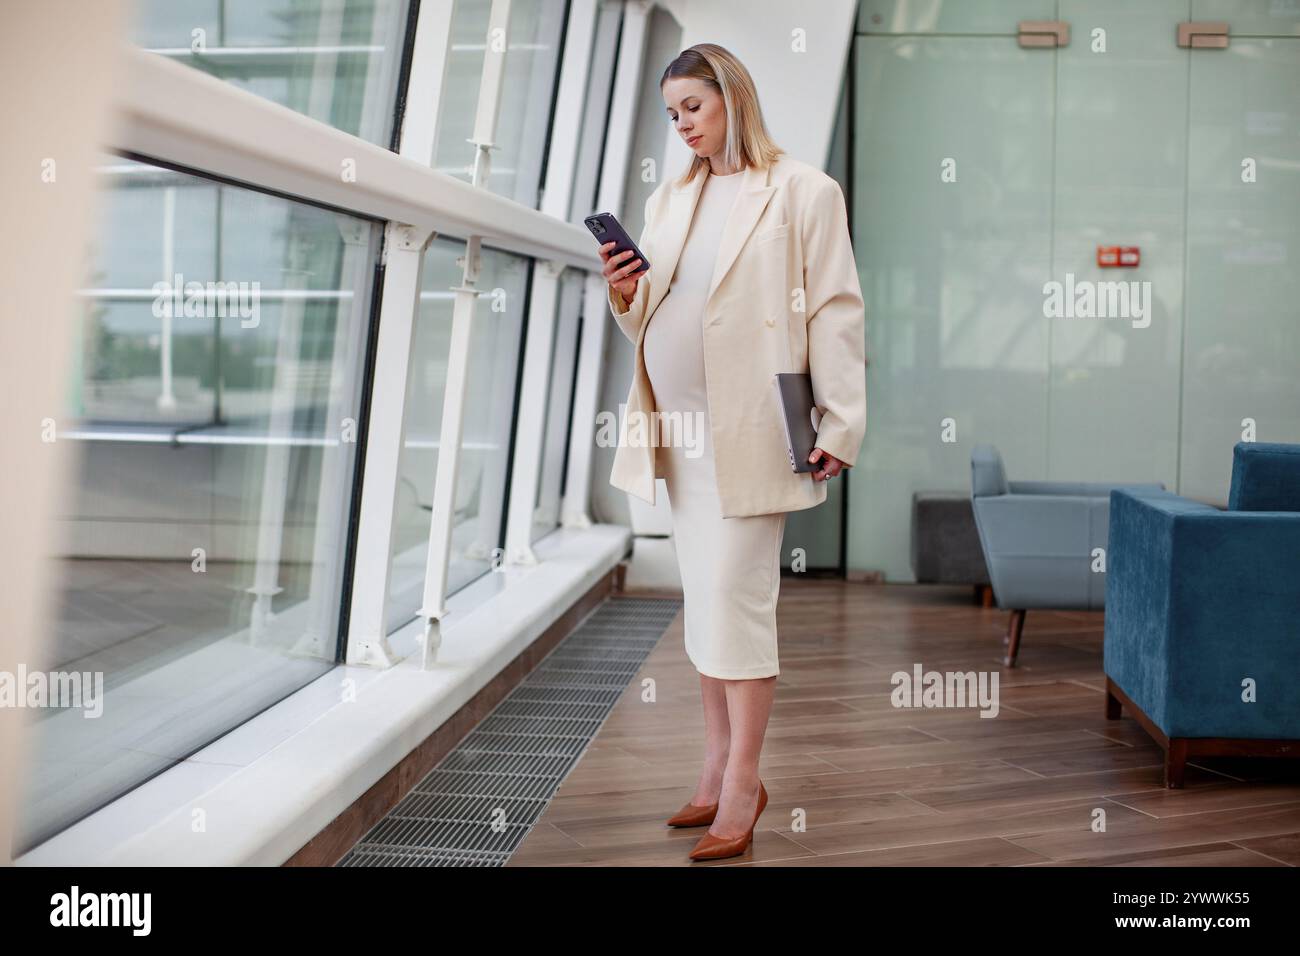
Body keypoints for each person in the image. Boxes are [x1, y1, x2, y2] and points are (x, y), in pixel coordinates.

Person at [599, 43, 866, 861]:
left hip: (753, 433)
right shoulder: (670, 198)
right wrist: (622, 290)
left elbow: (834, 307)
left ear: (733, 100)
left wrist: (841, 423)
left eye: (693, 107)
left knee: (738, 607)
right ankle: (715, 770)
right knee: (707, 609)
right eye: (672, 112)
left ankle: (745, 783)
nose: (680, 125)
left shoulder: (803, 192)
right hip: (679, 435)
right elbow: (650, 316)